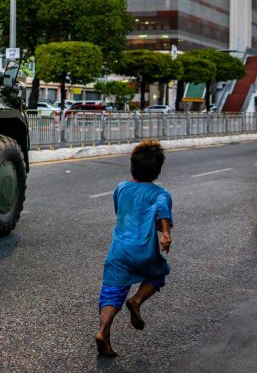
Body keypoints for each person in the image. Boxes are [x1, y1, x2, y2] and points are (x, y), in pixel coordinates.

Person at [95, 140, 173, 358]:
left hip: (118, 250)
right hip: (144, 250)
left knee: (112, 292)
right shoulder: (161, 194)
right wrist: (166, 234)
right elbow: (163, 212)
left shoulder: (120, 189)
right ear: (157, 171)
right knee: (159, 273)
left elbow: (121, 212)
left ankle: (102, 331)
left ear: (132, 166)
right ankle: (136, 300)